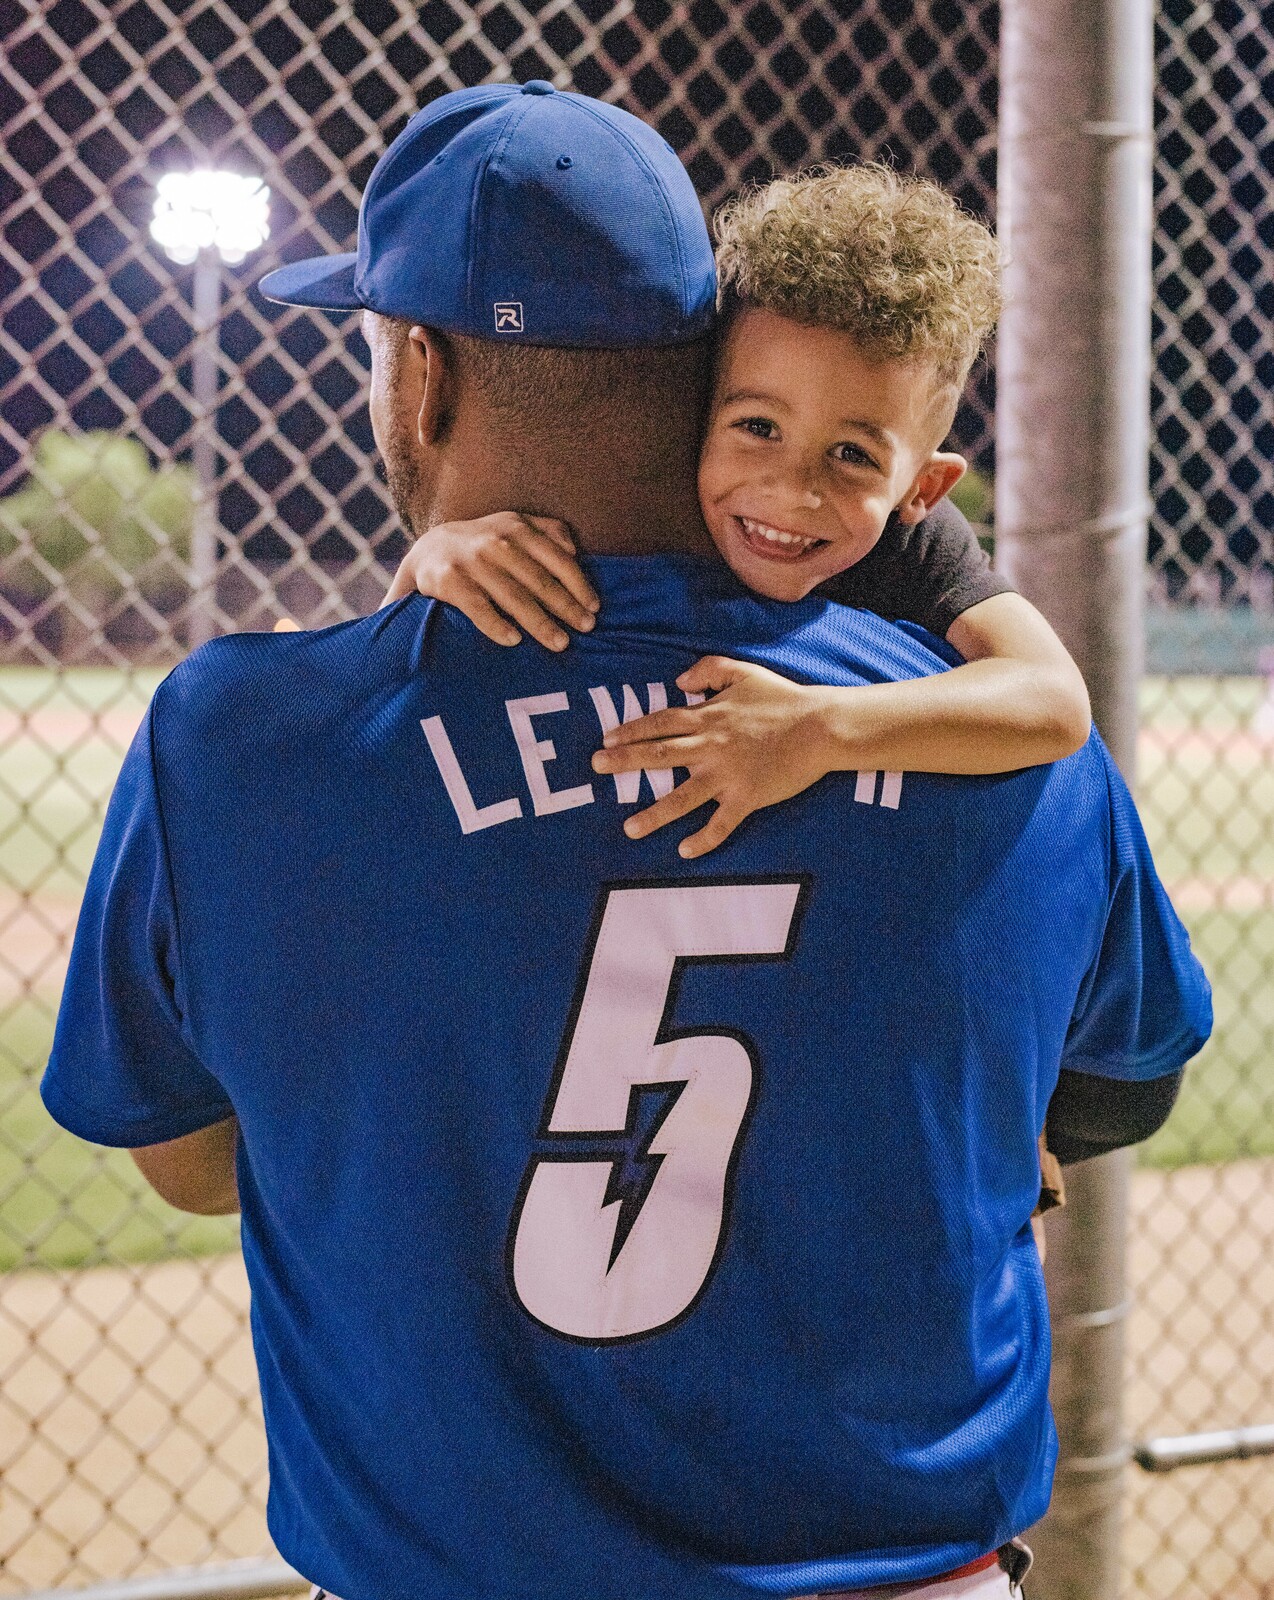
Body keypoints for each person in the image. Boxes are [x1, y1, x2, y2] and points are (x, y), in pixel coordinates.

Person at [42, 84, 1210, 1600]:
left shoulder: (241, 739)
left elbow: (187, 1163)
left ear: (420, 378)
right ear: (701, 384)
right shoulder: (1009, 738)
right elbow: (1115, 1093)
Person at [381, 163, 1091, 858]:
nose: (791, 490)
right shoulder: (656, 508)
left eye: (852, 456)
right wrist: (434, 553)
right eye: (758, 428)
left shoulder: (914, 542)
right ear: (698, 418)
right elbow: (393, 683)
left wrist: (817, 730)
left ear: (922, 489)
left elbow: (1053, 700)